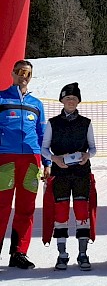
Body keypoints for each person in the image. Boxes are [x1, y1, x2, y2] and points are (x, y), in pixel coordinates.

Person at [0, 60, 51, 269]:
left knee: (26, 208)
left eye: (28, 74)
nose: (24, 76)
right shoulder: (2, 98)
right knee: (1, 207)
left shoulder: (36, 104)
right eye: (20, 72)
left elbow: (42, 135)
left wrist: (47, 162)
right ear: (12, 74)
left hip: (31, 161)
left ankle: (19, 253)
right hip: (5, 159)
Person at [41, 82, 97, 270]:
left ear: (78, 101)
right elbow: (44, 148)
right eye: (67, 98)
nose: (71, 101)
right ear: (62, 101)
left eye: (74, 98)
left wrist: (87, 155)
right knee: (61, 212)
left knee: (82, 211)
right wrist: (54, 159)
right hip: (61, 173)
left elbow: (93, 148)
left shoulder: (86, 122)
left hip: (81, 172)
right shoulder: (53, 122)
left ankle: (83, 253)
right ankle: (62, 254)